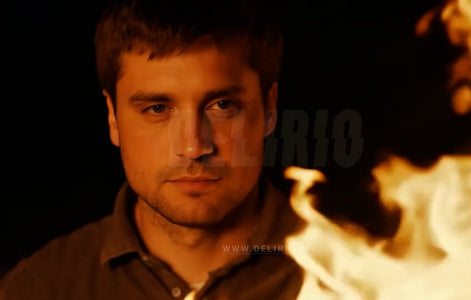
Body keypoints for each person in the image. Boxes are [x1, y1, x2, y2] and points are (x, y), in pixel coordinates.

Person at [0, 0, 304, 299]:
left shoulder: (346, 266)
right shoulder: (38, 288)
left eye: (222, 106)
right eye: (158, 108)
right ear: (112, 117)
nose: (193, 147)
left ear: (269, 108)